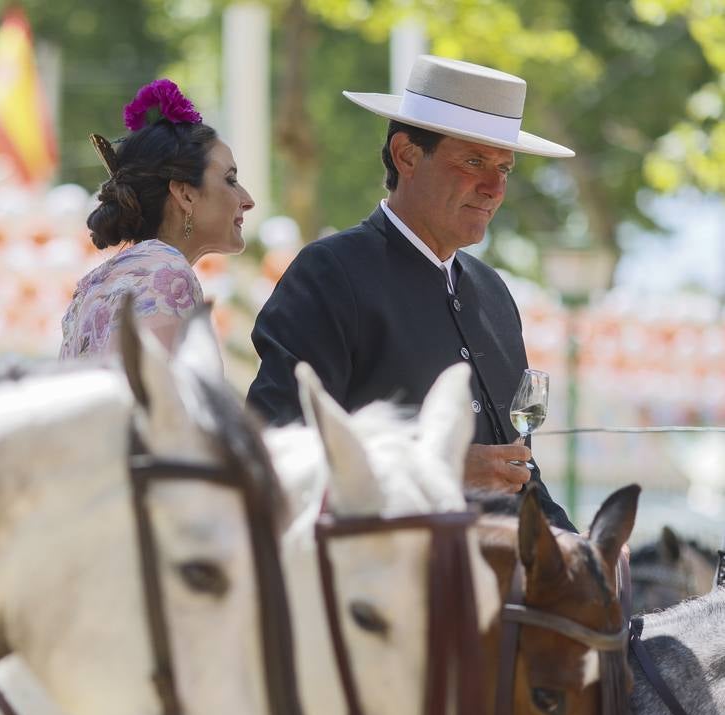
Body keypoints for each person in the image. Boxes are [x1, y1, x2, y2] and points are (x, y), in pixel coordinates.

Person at [247, 56, 575, 530]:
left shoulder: (494, 293)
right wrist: (439, 469)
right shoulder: (329, 274)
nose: (494, 187)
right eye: (474, 162)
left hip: (502, 584)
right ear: (406, 155)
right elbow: (278, 449)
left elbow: (520, 476)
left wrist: (588, 553)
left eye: (505, 168)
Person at [60, 79, 254, 360]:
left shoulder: (98, 280)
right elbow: (163, 400)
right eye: (231, 179)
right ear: (185, 194)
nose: (247, 200)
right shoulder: (170, 273)